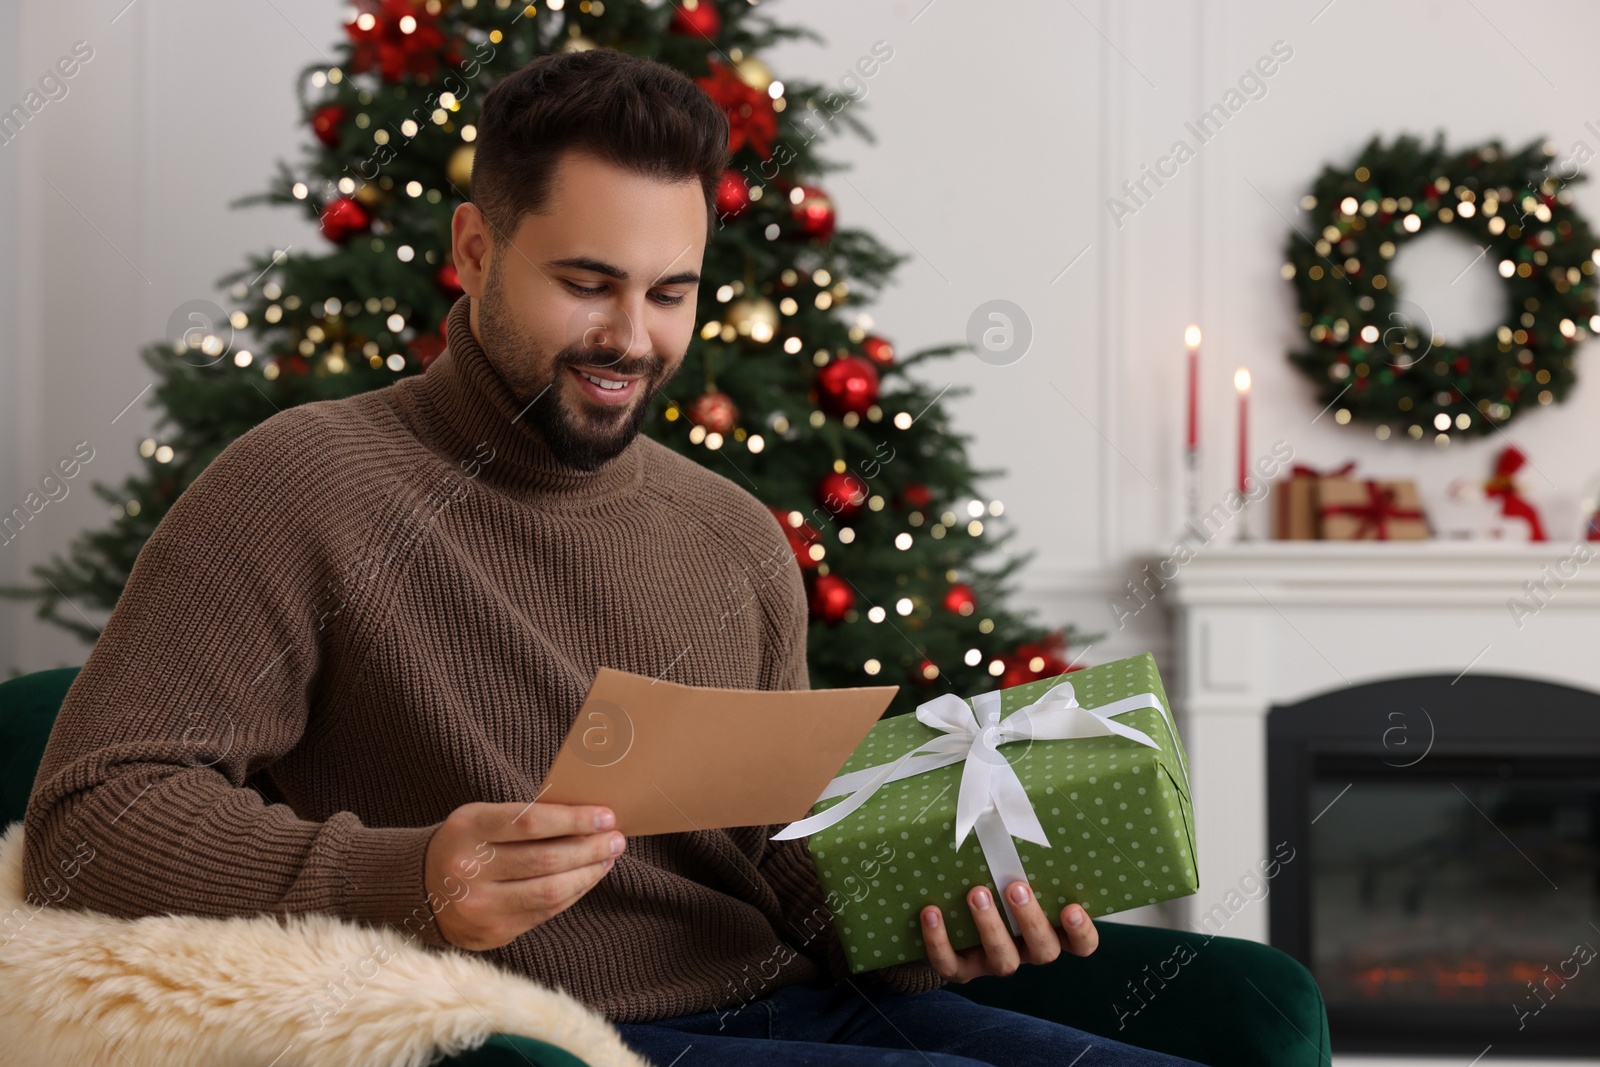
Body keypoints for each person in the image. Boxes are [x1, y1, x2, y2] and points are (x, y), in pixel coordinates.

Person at [23, 48, 1204, 1067]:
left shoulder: (735, 535)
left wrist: (931, 915)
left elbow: (779, 864)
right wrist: (408, 876)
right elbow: (88, 821)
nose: (630, 339)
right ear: (476, 249)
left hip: (796, 1002)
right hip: (547, 1033)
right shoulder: (299, 483)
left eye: (669, 293)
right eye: (586, 284)